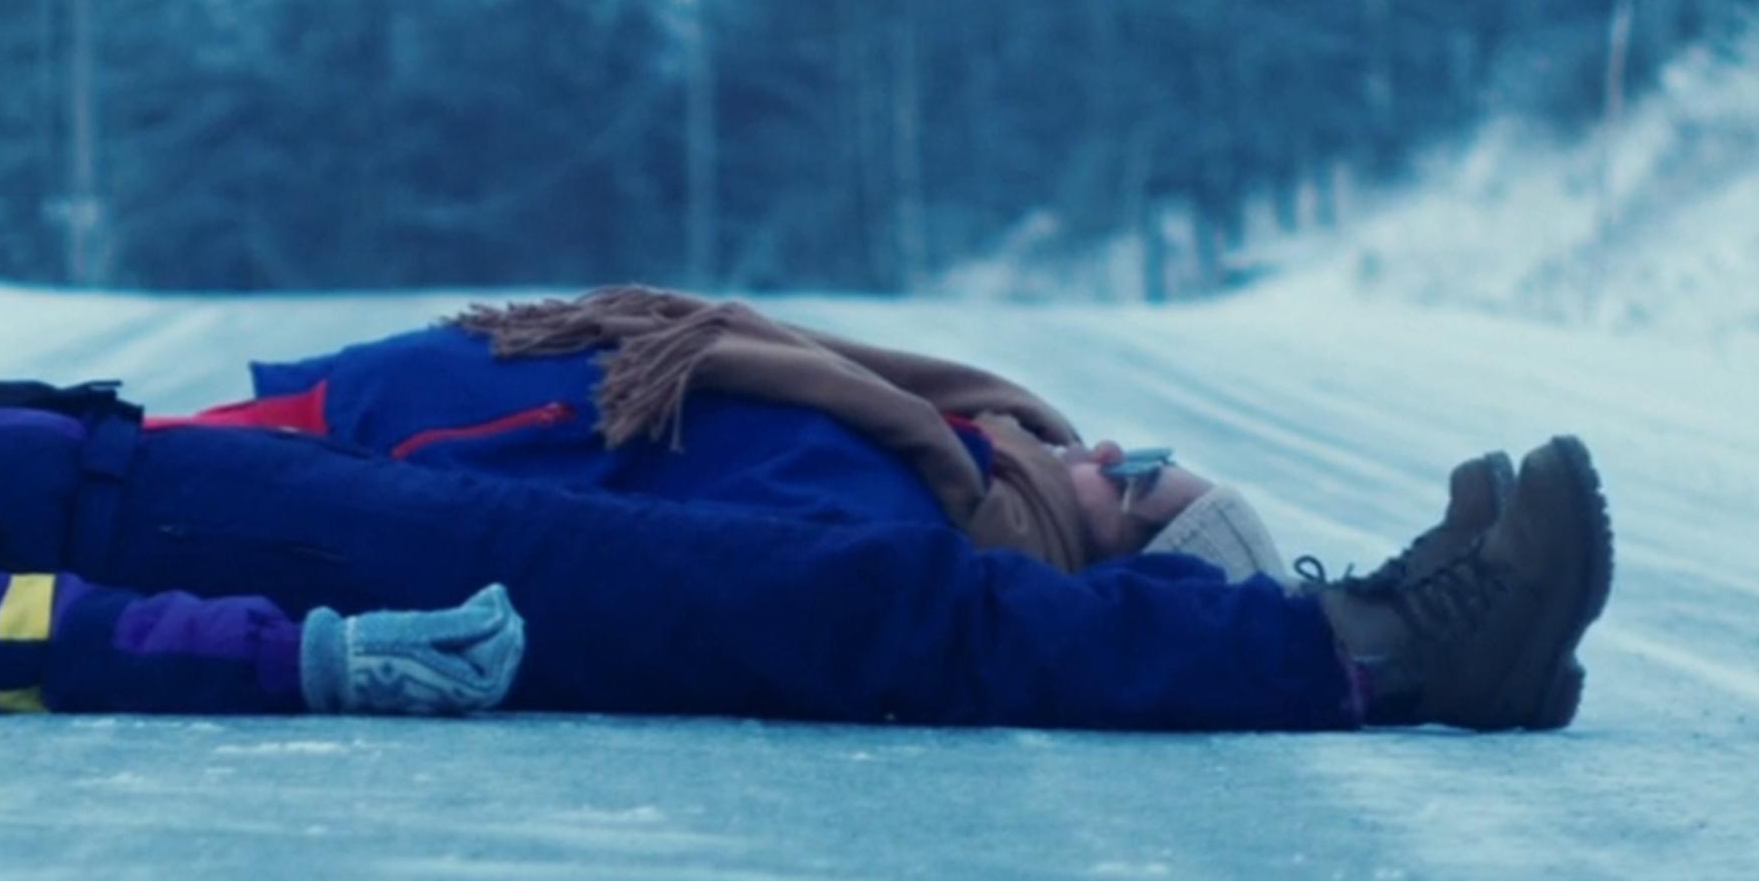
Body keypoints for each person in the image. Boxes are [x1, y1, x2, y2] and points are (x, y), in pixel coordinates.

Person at [0, 338, 1615, 737]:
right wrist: (300, 658)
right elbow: (0, 634)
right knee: (807, 618)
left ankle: (1262, 595)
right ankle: (1382, 654)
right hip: (261, 563)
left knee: (758, 507)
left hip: (251, 485)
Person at [164, 289, 1289, 579]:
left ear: (1122, 557)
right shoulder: (972, 455)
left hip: (430, 442)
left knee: (77, 464)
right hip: (451, 393)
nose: (1101, 452)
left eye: (1135, 483)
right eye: (1136, 446)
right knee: (74, 440)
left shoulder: (925, 524)